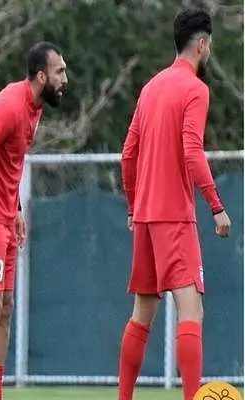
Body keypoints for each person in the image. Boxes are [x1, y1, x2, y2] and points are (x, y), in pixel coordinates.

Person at [118, 8, 231, 400]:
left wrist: (133, 206)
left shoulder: (151, 87)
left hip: (145, 216)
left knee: (142, 313)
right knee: (191, 310)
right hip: (174, 215)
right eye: (209, 44)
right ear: (201, 44)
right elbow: (191, 151)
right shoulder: (195, 89)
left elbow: (127, 154)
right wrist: (216, 205)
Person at [0, 42, 68, 400]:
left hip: (5, 217)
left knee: (5, 309)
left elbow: (9, 164)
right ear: (41, 76)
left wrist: (16, 206)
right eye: (60, 71)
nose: (65, 79)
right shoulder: (9, 106)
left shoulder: (36, 108)